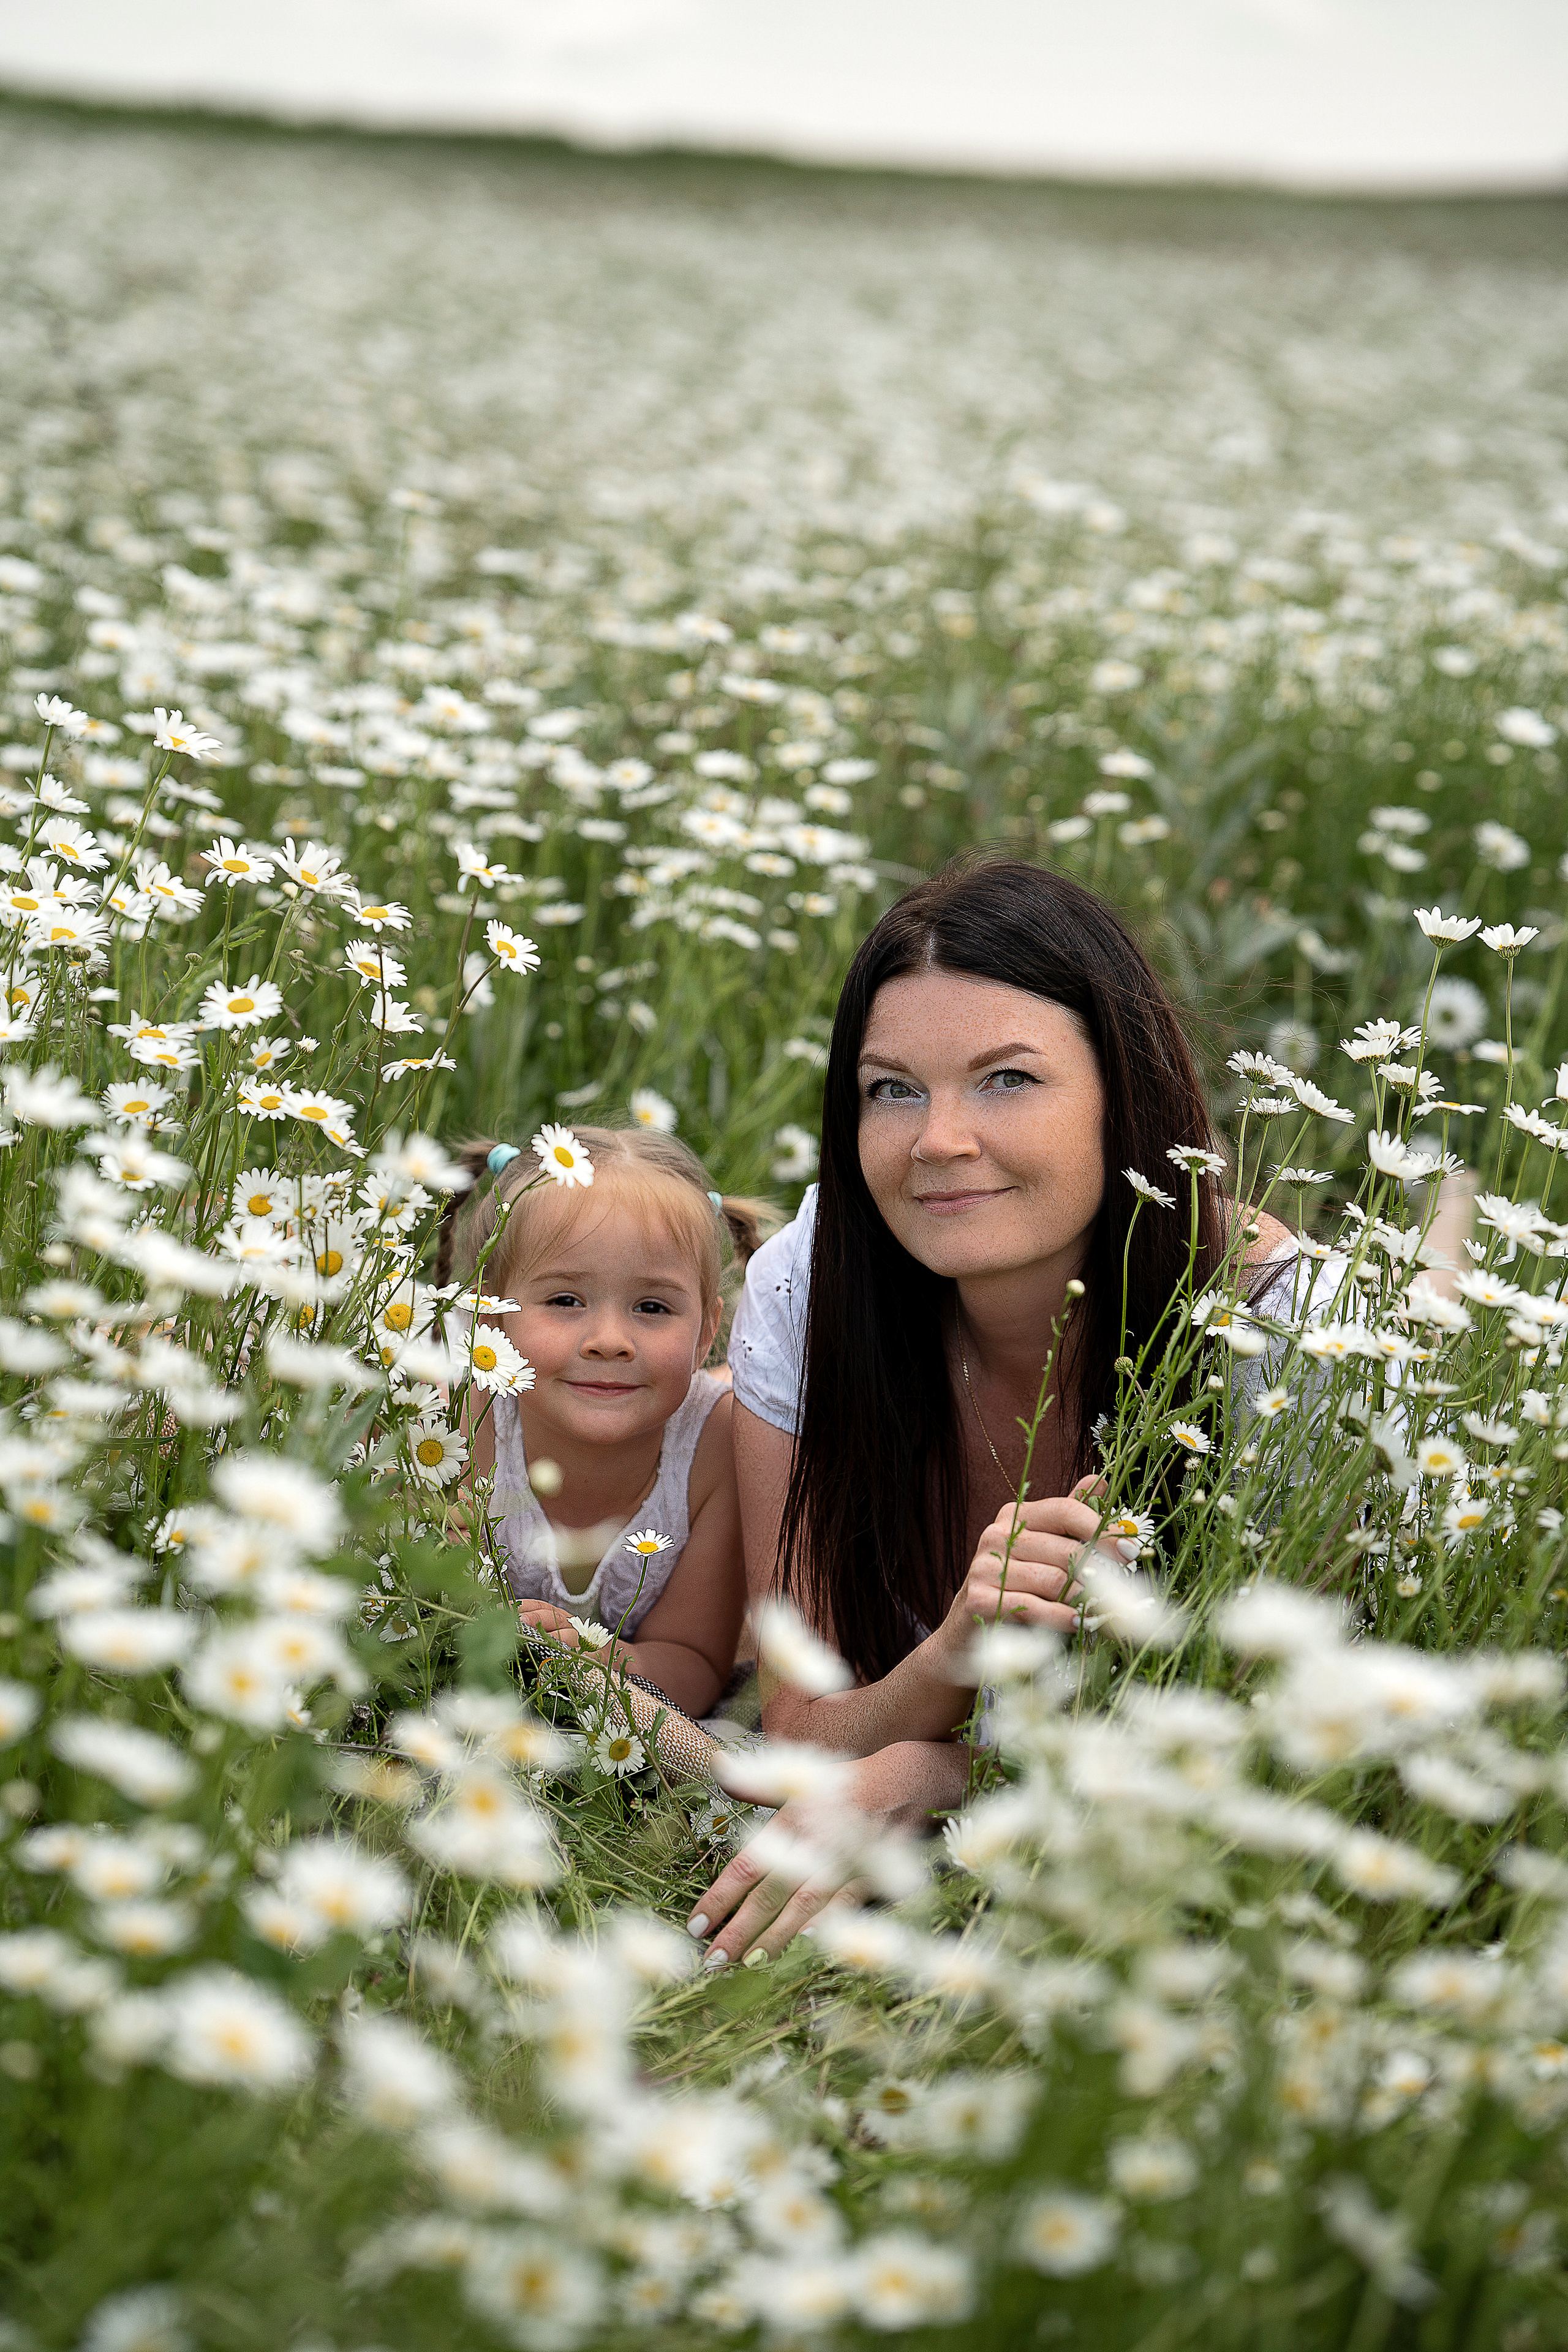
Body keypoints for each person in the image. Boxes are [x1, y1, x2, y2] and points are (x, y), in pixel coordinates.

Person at [689, 856, 1306, 1969]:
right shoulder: (810, 1287)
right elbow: (804, 1728)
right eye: (893, 1089)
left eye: (1007, 1080)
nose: (939, 1141)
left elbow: (1282, 1765)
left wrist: (935, 1771)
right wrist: (949, 1663)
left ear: (1128, 1092)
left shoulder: (1278, 1337)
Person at [438, 1128, 761, 1719]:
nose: (609, 1342)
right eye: (565, 1301)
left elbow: (693, 1666)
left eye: (652, 1308)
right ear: (492, 1312)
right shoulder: (460, 1423)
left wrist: (595, 1657)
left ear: (708, 1331)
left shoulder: (720, 1447)